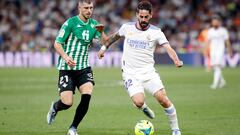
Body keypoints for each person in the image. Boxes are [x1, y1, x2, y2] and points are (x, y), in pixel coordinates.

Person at [98, 1, 183, 135]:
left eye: (146, 17)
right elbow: (113, 38)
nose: (143, 20)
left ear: (151, 16)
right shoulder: (127, 27)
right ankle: (142, 106)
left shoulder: (156, 32)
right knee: (138, 102)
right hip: (130, 73)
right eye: (141, 16)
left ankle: (175, 129)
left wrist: (176, 60)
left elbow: (168, 48)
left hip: (148, 72)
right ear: (137, 15)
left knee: (163, 100)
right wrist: (103, 48)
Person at [46, 0, 106, 135]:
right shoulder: (70, 23)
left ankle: (73, 128)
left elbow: (104, 43)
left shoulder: (95, 24)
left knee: (87, 94)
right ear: (79, 7)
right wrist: (66, 57)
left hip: (84, 68)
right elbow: (57, 43)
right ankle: (55, 107)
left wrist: (102, 33)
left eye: (91, 8)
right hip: (66, 68)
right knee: (67, 103)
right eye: (86, 8)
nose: (89, 10)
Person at [206, 15, 233, 89]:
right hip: (212, 51)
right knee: (214, 67)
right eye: (213, 22)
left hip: (220, 50)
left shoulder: (223, 31)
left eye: (216, 21)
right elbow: (208, 42)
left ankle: (215, 84)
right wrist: (206, 50)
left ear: (219, 22)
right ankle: (222, 82)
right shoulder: (210, 31)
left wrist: (230, 51)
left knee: (217, 66)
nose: (214, 23)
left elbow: (227, 42)